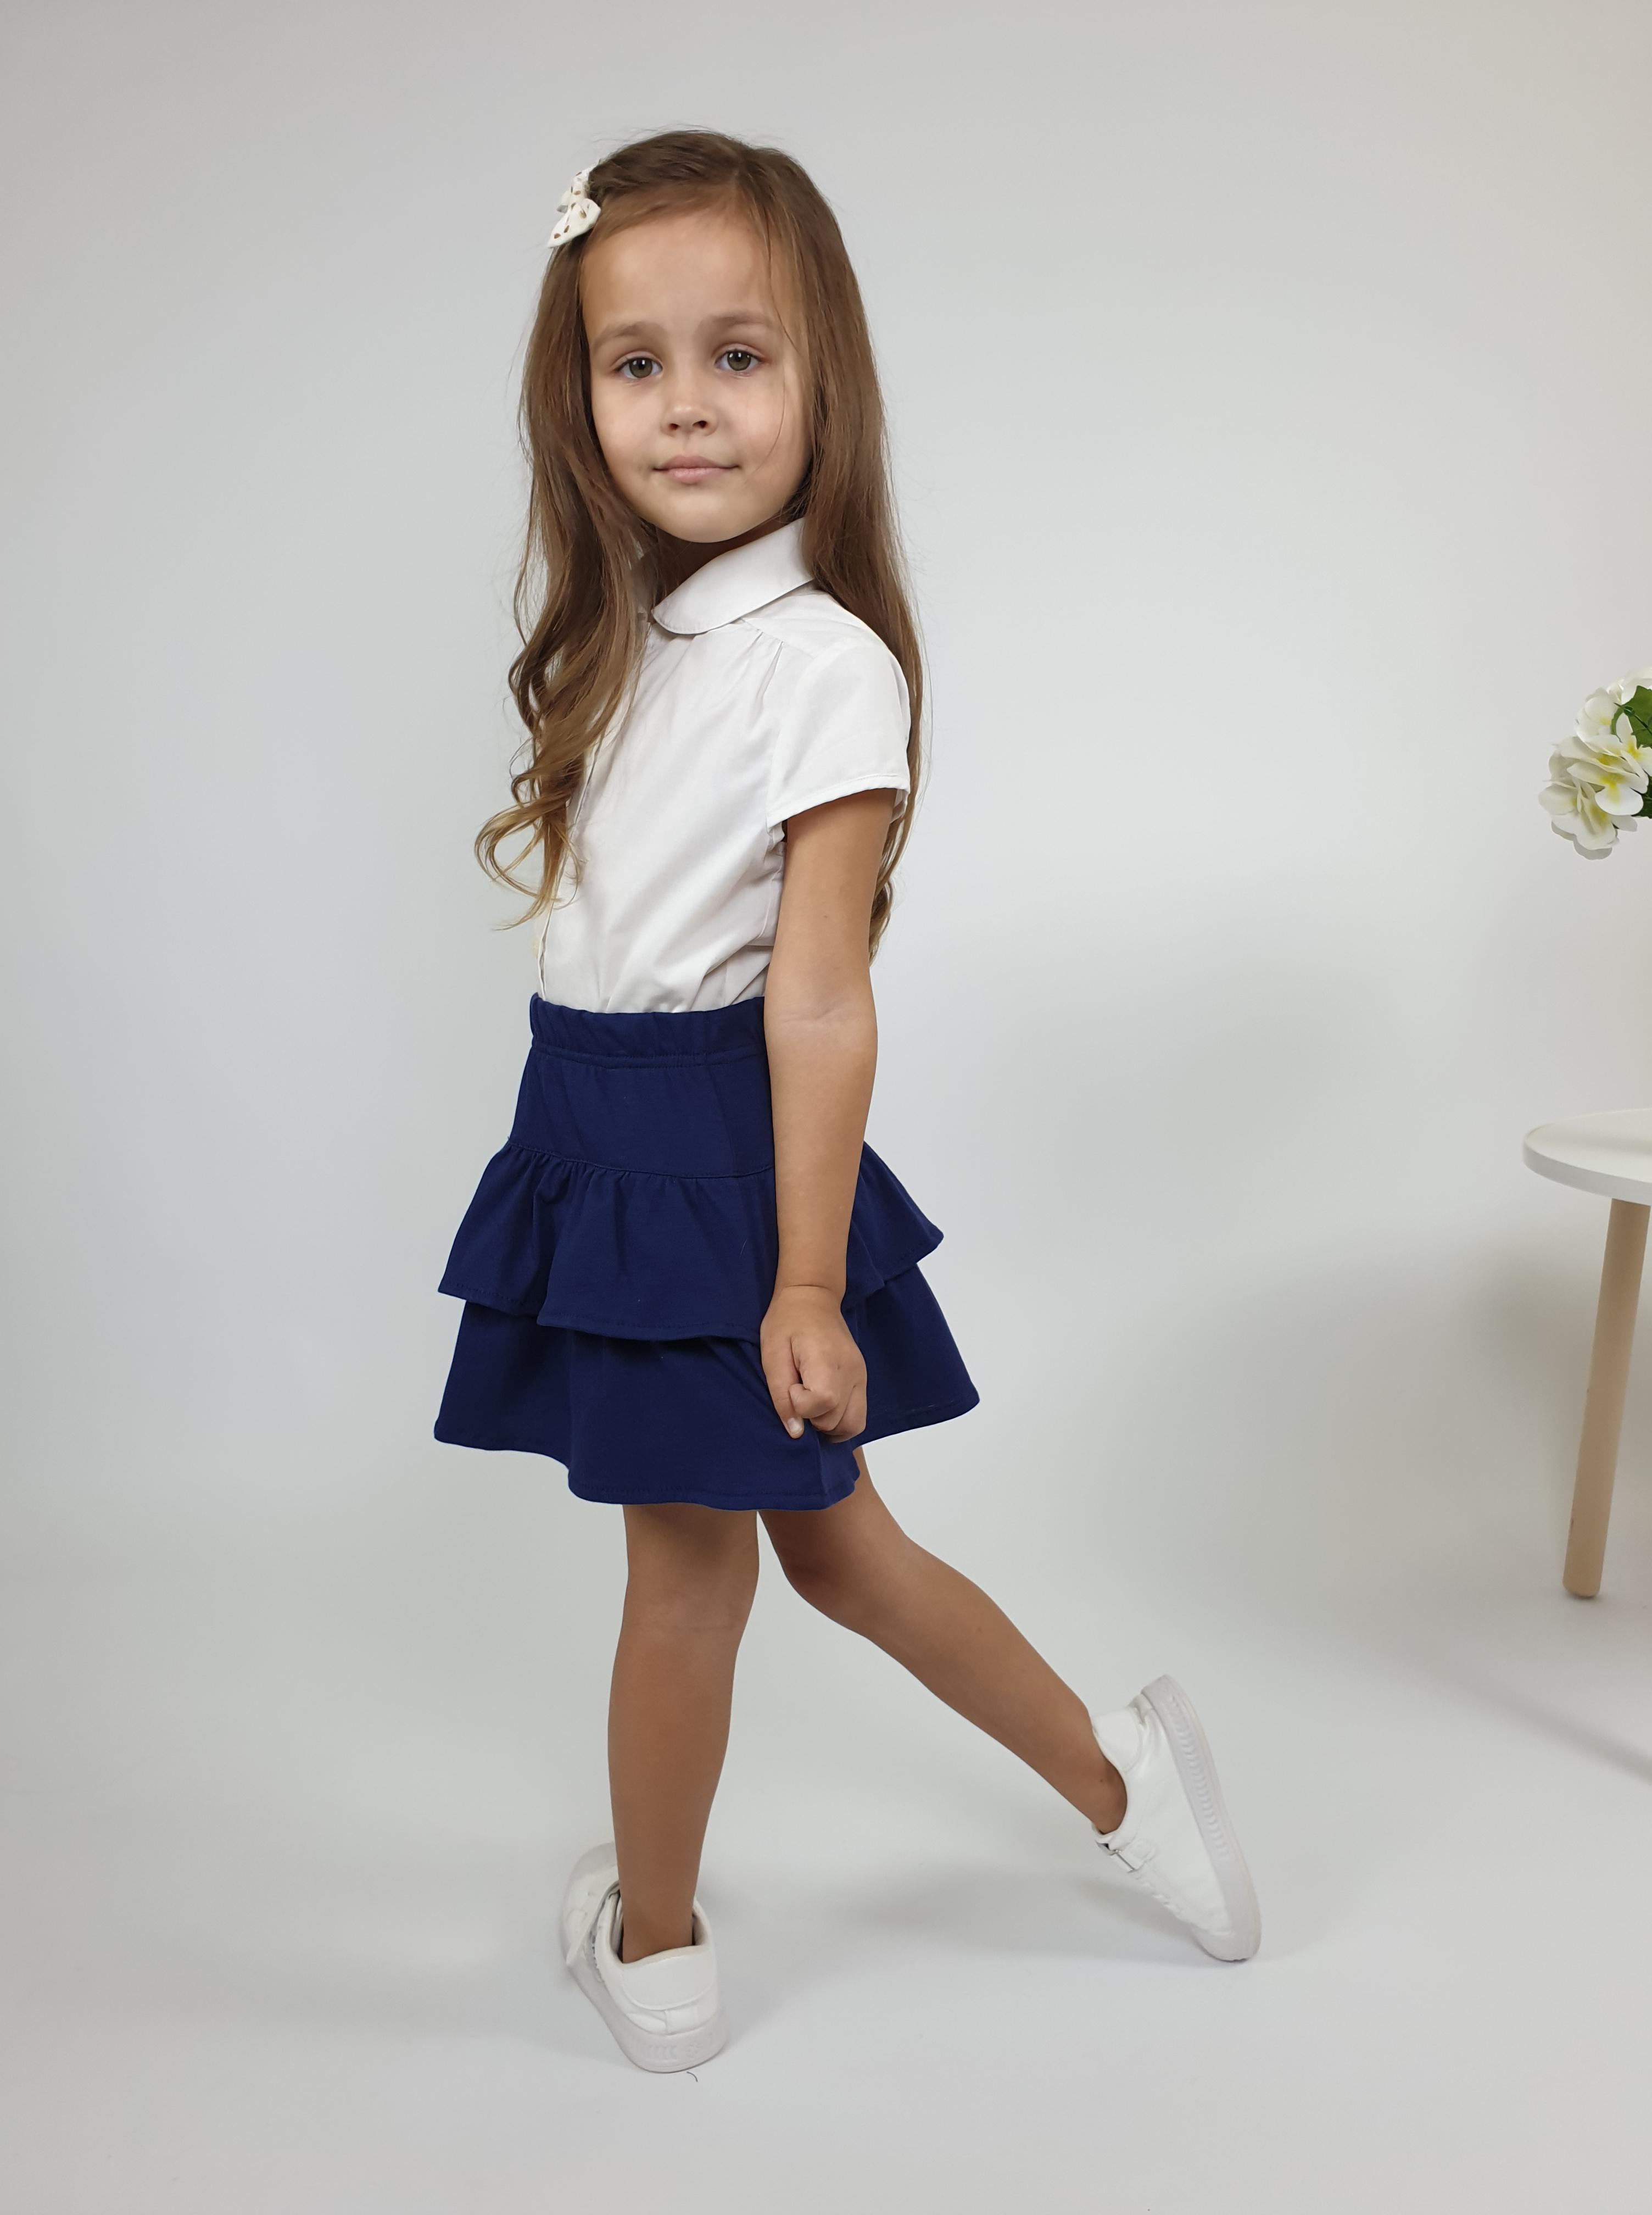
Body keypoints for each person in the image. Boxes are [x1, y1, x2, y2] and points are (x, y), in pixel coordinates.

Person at [433, 129, 1260, 2074]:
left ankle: (658, 1949)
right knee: (824, 1553)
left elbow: (816, 998)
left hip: (708, 1162)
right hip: (603, 1136)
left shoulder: (818, 662)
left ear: (825, 384)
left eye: (740, 357)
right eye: (636, 362)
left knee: (699, 1570)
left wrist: (806, 1281)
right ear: (579, 398)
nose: (687, 405)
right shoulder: (648, 636)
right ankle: (1122, 1778)